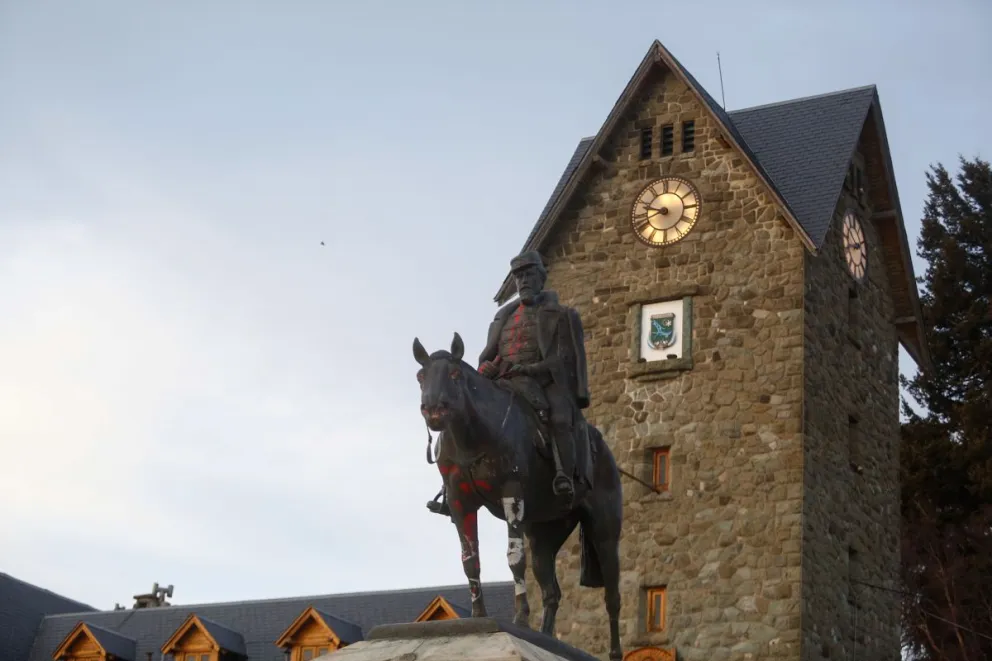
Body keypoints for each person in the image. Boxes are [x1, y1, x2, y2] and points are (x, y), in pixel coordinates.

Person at [426, 250, 590, 516]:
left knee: (560, 417)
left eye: (529, 275)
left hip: (544, 382)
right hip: (505, 381)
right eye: (519, 277)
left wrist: (529, 368)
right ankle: (452, 488)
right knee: (463, 410)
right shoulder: (504, 318)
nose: (524, 281)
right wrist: (486, 368)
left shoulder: (561, 315)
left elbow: (562, 360)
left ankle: (564, 476)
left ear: (541, 278)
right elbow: (492, 353)